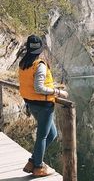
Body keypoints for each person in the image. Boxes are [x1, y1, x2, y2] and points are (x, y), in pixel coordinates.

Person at [19, 35, 68, 177]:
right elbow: (39, 87)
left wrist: (51, 85)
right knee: (42, 136)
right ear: (40, 49)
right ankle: (39, 167)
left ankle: (32, 161)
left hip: (31, 103)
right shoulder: (39, 64)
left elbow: (32, 83)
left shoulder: (24, 63)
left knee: (52, 134)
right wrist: (59, 92)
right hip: (44, 105)